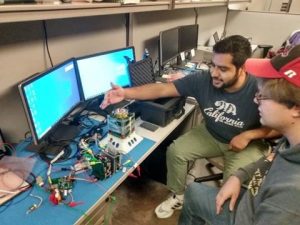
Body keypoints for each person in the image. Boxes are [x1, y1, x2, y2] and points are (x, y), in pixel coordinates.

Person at [101, 35, 276, 219]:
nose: (214, 73)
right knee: (176, 151)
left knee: (231, 195)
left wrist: (249, 135)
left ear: (241, 69)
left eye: (223, 69)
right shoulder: (203, 79)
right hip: (212, 132)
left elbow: (282, 127)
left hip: (246, 143)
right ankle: (178, 194)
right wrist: (125, 93)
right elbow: (161, 89)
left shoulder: (260, 87)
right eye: (213, 65)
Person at [178, 44, 300, 225]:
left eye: (263, 96)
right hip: (253, 197)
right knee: (193, 189)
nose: (254, 100)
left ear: (296, 108)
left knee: (194, 193)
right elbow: (274, 157)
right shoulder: (291, 140)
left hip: (245, 217)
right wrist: (239, 176)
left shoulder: (290, 195)